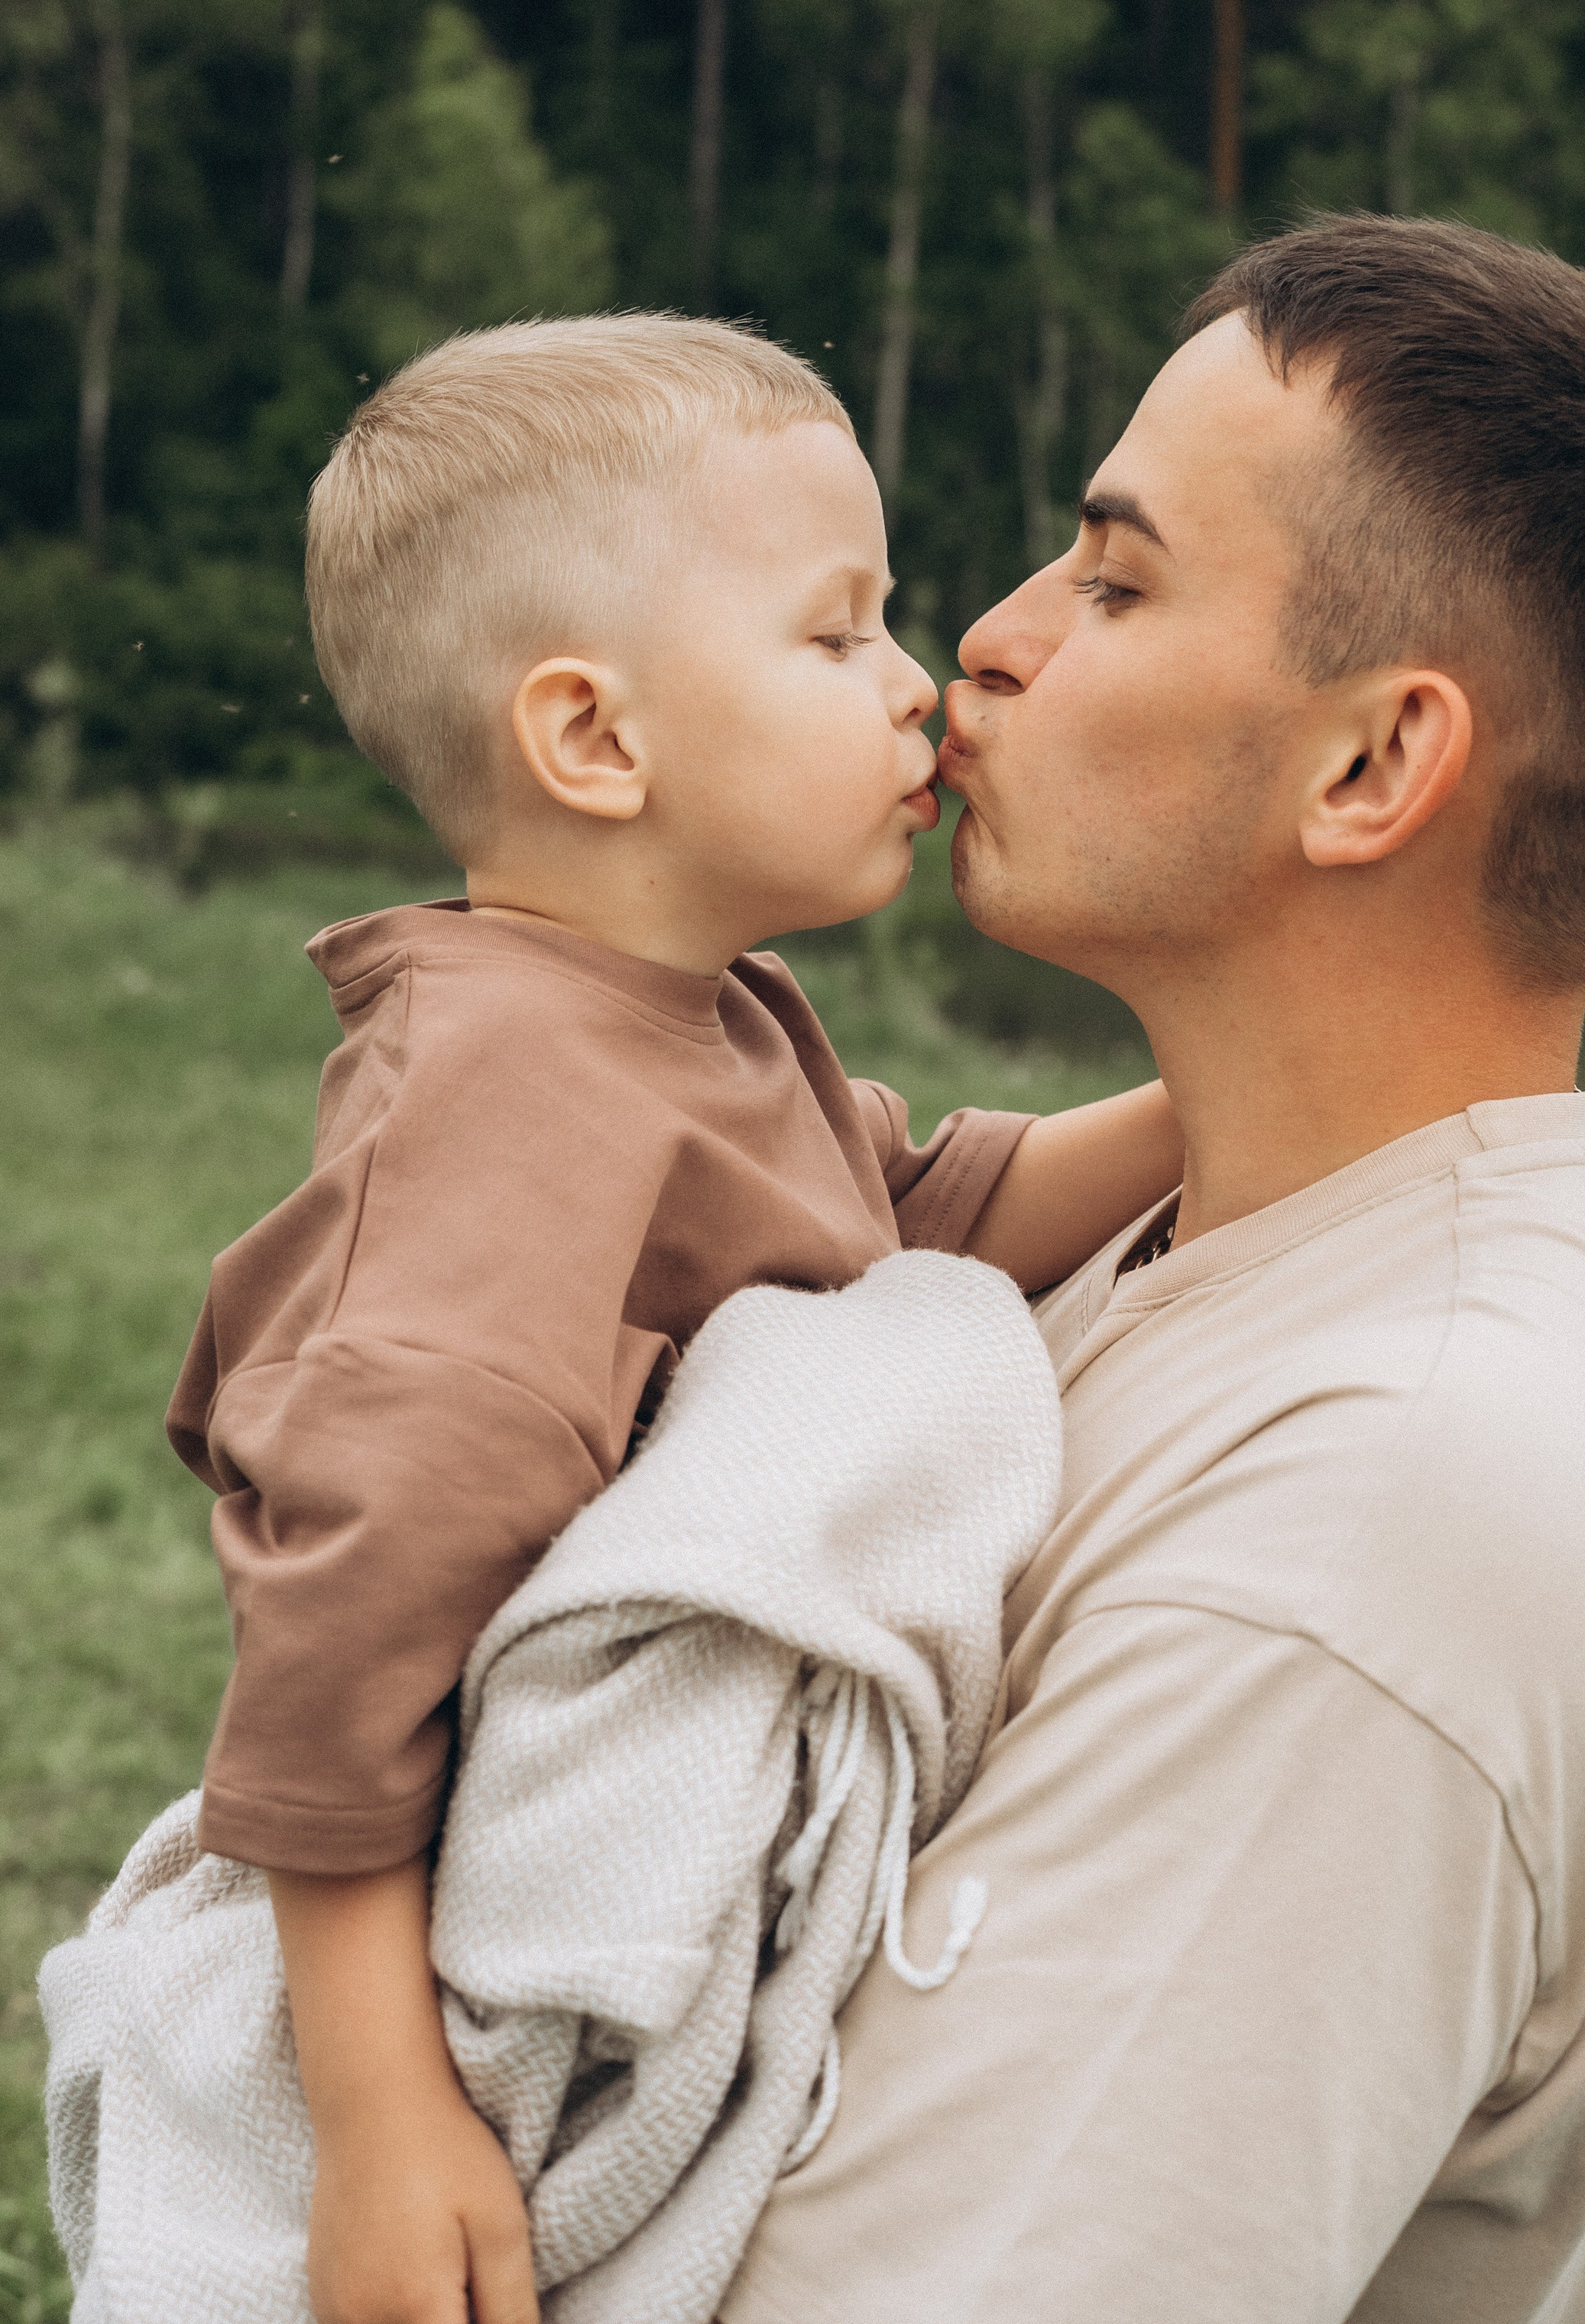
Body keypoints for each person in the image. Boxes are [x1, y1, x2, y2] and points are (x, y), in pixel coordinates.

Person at [720, 213, 1585, 2324]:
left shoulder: (1381, 1530)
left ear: (1373, 767)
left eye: (1117, 579)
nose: (990, 637)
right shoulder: (1229, 1244)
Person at [164, 315, 1181, 2324]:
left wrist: (1264, 1087)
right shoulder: (500, 1108)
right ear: (598, 741)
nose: (918, 690)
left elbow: (920, 1217)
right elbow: (348, 1616)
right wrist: (382, 2121)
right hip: (494, 1941)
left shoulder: (700, 1016)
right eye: (837, 639)